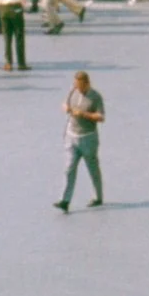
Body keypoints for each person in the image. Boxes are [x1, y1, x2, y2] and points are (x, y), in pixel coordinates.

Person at [53, 69, 104, 213]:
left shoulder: (95, 97)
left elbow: (101, 117)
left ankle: (98, 196)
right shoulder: (73, 91)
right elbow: (64, 104)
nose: (78, 88)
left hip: (88, 138)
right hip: (72, 136)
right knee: (69, 168)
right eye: (76, 85)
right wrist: (66, 108)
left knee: (92, 168)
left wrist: (83, 114)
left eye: (80, 86)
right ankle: (65, 200)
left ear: (87, 84)